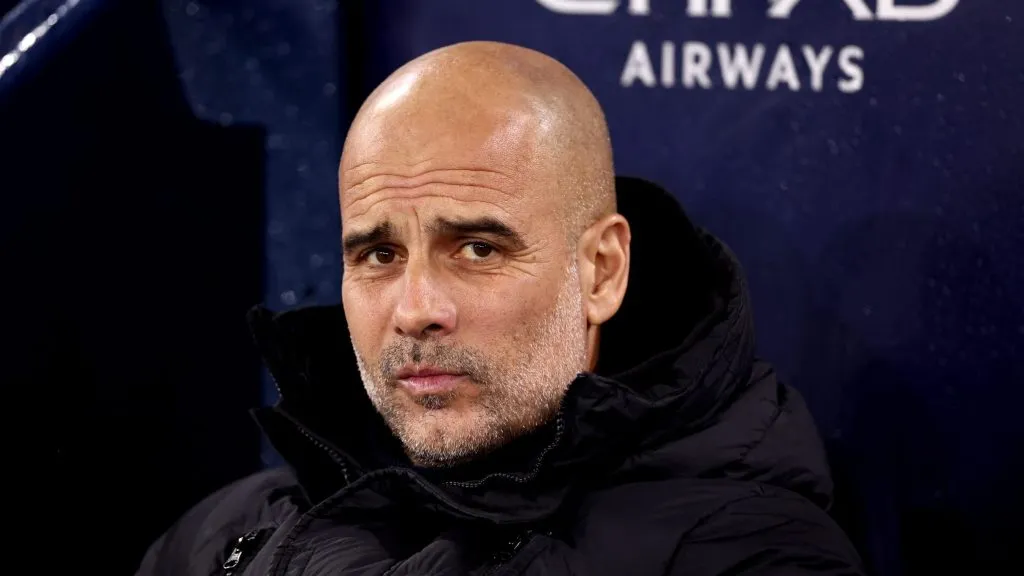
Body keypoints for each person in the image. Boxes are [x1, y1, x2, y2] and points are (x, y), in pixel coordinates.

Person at [136, 41, 864, 575]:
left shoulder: (744, 555)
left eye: (478, 249)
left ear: (602, 272)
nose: (416, 310)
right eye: (380, 255)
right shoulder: (228, 531)